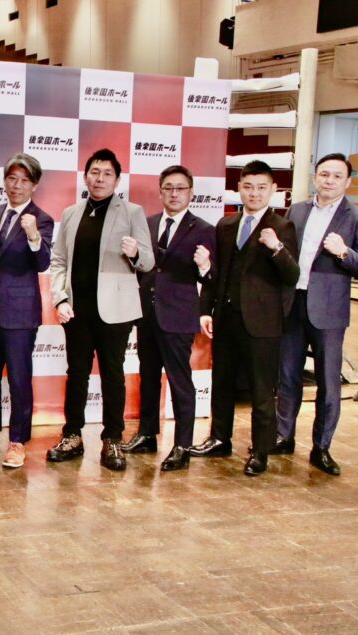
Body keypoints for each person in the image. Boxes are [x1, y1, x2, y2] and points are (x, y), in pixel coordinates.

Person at [189, 160, 299, 476]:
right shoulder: (226, 225)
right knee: (222, 383)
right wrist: (205, 310)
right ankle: (219, 439)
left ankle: (261, 451)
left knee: (262, 391)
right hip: (226, 318)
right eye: (248, 186)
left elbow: (292, 275)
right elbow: (217, 274)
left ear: (273, 189)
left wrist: (276, 248)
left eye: (261, 187)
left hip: (263, 324)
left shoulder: (282, 227)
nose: (254, 193)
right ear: (239, 188)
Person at [47, 148, 154, 471]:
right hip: (76, 311)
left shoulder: (132, 212)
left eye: (107, 173)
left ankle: (113, 438)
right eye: (95, 172)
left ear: (117, 180)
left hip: (115, 311)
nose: (100, 178)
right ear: (85, 176)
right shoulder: (71, 213)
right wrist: (60, 298)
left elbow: (148, 261)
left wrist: (135, 253)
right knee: (76, 374)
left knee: (112, 374)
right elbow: (58, 260)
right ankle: (72, 435)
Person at [274, 153, 358, 476]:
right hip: (293, 304)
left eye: (336, 176)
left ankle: (322, 447)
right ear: (314, 177)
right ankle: (283, 436)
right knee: (287, 376)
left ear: (347, 182)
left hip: (329, 311)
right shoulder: (297, 210)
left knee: (329, 383)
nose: (329, 181)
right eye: (324, 174)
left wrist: (343, 252)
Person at [122, 165, 215, 471]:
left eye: (180, 188)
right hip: (147, 314)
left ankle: (182, 444)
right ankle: (147, 434)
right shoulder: (147, 224)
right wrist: (134, 256)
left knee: (180, 382)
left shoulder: (203, 229)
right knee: (148, 377)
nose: (174, 194)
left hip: (178, 316)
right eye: (169, 188)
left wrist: (205, 267)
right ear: (160, 192)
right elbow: (142, 268)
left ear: (191, 192)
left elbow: (212, 278)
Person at [0, 153, 54, 469]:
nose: (16, 185)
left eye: (24, 180)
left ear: (34, 185)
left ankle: (18, 440)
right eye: (12, 178)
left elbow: (42, 263)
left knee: (19, 379)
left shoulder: (41, 219)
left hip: (20, 312)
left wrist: (33, 235)